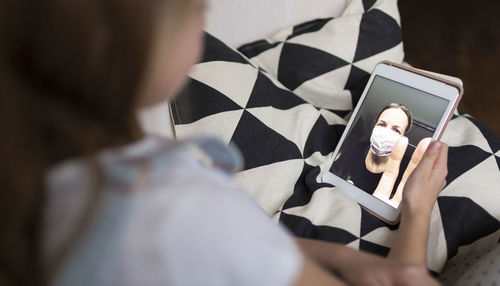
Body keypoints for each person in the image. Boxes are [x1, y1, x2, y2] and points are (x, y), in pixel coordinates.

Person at [0, 0, 448, 285]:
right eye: (195, 10)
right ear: (132, 47)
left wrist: (344, 261)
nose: (205, 22)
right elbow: (214, 238)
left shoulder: (38, 169)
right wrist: (417, 214)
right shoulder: (181, 214)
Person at [333, 103, 431, 207]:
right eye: (381, 124)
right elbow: (334, 172)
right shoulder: (357, 147)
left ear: (402, 137)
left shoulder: (405, 169)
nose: (386, 132)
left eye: (396, 130)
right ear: (374, 126)